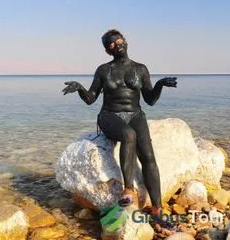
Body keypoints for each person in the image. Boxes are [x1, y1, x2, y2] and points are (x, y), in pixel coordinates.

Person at [62, 29, 177, 233]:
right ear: (107, 50)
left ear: (126, 41)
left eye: (119, 41)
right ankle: (128, 189)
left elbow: (150, 100)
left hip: (135, 114)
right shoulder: (103, 70)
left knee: (149, 157)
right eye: (111, 44)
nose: (117, 45)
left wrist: (159, 84)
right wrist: (80, 88)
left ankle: (157, 210)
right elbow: (91, 99)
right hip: (109, 115)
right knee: (128, 135)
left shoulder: (140, 69)